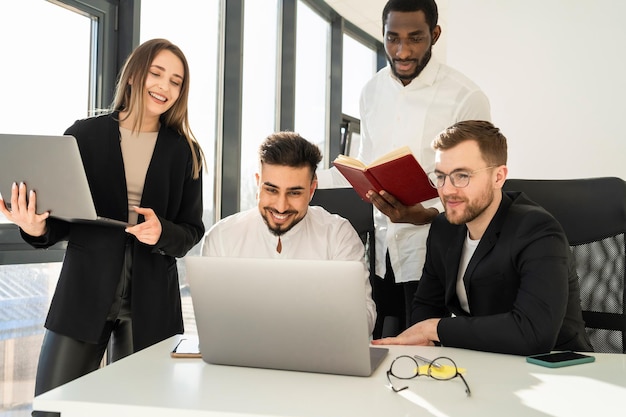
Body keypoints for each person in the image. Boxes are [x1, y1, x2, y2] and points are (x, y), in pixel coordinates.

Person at [0, 39, 205, 415]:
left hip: (152, 304)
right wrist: (33, 226)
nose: (164, 87)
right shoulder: (83, 135)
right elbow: (60, 221)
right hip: (83, 294)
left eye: (176, 81)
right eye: (156, 73)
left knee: (140, 411)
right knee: (50, 409)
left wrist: (163, 233)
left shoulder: (185, 151)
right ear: (133, 76)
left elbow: (192, 231)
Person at [372, 120, 593, 355]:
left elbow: (533, 333)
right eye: (440, 177)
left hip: (556, 368)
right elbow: (427, 305)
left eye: (462, 176)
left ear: (498, 177)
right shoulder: (443, 227)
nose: (447, 190)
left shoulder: (538, 230)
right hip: (484, 360)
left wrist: (434, 329)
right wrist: (426, 343)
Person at [351, 0, 492, 337]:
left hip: (439, 255)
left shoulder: (465, 96)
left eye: (415, 38)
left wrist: (426, 213)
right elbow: (367, 161)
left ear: (435, 34)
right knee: (383, 352)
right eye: (392, 38)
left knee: (429, 358)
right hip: (383, 251)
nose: (401, 51)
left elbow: (479, 188)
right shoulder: (371, 92)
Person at [202, 132, 376, 335]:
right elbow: (211, 324)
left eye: (294, 193)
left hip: (318, 359)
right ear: (258, 184)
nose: (281, 206)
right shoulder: (222, 238)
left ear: (312, 191)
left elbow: (364, 321)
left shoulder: (338, 236)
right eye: (271, 190)